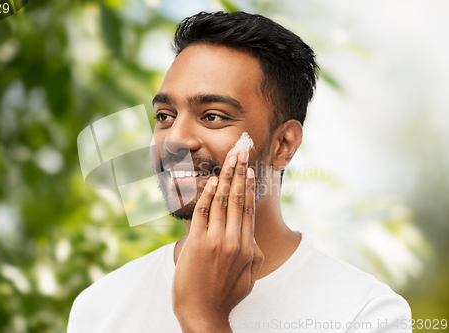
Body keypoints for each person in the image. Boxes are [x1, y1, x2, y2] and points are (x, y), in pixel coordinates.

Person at [67, 11, 411, 333]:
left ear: (283, 145)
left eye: (212, 116)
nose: (174, 140)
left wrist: (203, 317)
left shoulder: (365, 313)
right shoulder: (99, 309)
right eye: (164, 116)